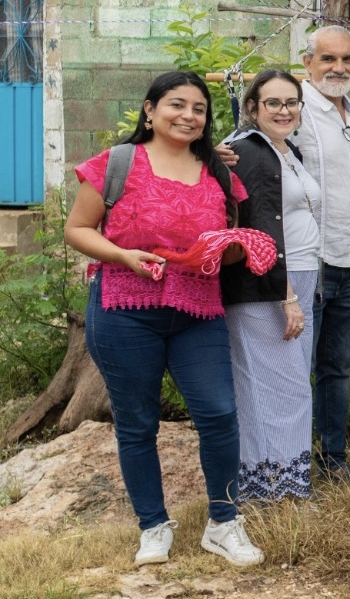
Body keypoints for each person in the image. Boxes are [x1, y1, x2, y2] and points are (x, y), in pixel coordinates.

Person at [65, 71, 264, 567]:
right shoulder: (117, 163)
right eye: (177, 104)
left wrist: (227, 249)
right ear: (150, 110)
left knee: (219, 414)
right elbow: (77, 229)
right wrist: (124, 256)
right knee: (136, 423)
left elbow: (230, 249)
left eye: (199, 109)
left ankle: (223, 523)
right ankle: (153, 526)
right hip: (125, 309)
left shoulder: (220, 172)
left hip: (198, 312)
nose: (188, 116)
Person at [220, 70, 320, 501]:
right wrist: (287, 295)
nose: (284, 110)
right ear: (253, 108)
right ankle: (280, 491)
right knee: (283, 389)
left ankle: (270, 486)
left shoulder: (286, 149)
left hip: (297, 278)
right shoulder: (250, 151)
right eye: (273, 103)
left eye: (291, 102)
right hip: (271, 285)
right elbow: (261, 228)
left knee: (279, 385)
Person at [294, 26, 350, 480]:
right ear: (308, 63)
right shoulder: (294, 107)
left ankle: (333, 461)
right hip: (311, 262)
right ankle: (292, 463)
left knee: (336, 368)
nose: (339, 68)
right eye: (328, 59)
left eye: (348, 59)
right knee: (298, 368)